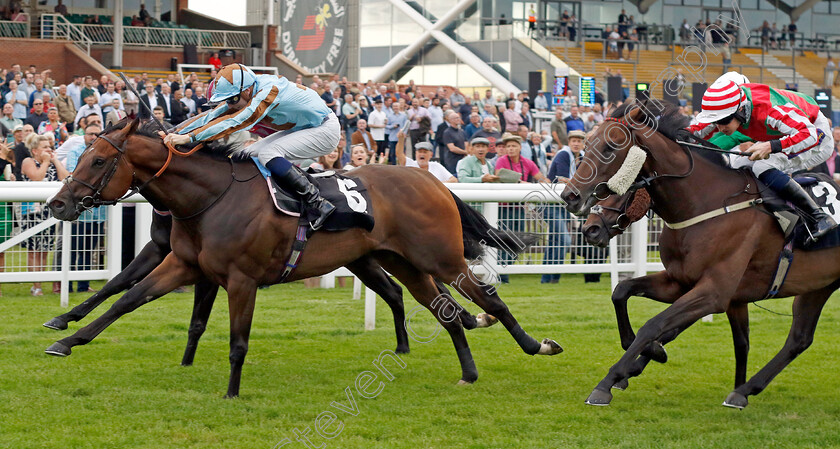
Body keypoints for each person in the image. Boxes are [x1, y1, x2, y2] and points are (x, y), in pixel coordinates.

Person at [165, 64, 340, 230]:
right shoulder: (247, 88)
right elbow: (211, 115)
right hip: (305, 127)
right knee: (243, 155)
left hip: (324, 129)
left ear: (247, 91)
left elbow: (236, 121)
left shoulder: (267, 91)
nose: (230, 105)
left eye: (232, 100)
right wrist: (173, 131)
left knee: (267, 153)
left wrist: (188, 138)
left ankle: (317, 203)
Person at [688, 78, 837, 241]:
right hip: (788, 133)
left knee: (762, 166)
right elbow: (702, 127)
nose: (720, 128)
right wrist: (683, 133)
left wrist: (771, 146)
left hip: (816, 136)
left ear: (739, 110)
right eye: (717, 121)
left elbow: (810, 135)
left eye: (723, 121)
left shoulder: (768, 110)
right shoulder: (734, 107)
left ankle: (819, 217)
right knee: (737, 163)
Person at [20, 134, 69, 296]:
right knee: (34, 249)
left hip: (49, 213)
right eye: (45, 147)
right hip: (32, 213)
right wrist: (47, 162)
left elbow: (66, 179)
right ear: (35, 151)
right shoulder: (28, 162)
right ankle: (37, 285)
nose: (49, 149)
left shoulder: (53, 163)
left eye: (50, 146)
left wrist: (54, 161)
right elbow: (37, 177)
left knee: (45, 249)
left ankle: (39, 280)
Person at [61, 122, 105, 293]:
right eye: (90, 134)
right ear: (84, 135)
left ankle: (83, 285)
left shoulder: (104, 152)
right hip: (78, 212)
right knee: (73, 249)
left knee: (88, 250)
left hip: (98, 213)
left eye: (96, 134)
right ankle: (67, 286)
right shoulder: (75, 151)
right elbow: (73, 174)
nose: (93, 137)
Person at [0, 140, 14, 297]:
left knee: (1, 251)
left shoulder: (5, 161)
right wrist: (3, 157)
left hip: (4, 211)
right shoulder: (3, 159)